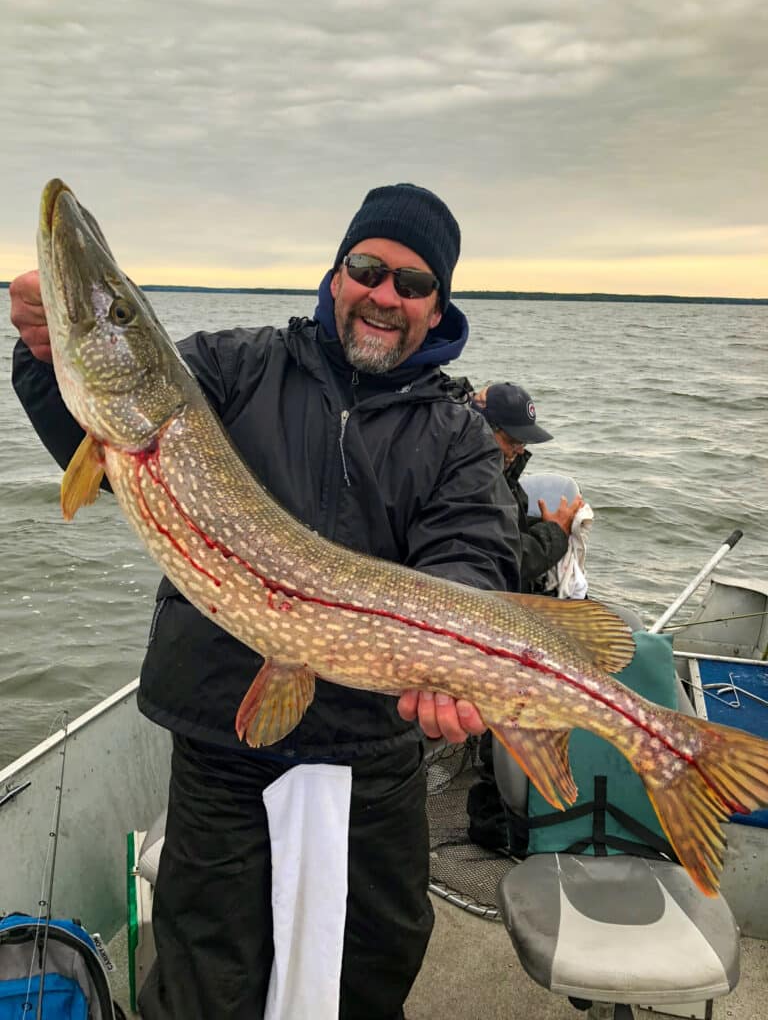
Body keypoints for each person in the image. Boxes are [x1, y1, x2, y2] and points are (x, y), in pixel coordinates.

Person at [10, 183, 521, 1020]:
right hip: (221, 747)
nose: (385, 295)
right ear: (335, 274)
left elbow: (471, 553)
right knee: (207, 982)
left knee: (369, 970)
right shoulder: (231, 366)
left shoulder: (458, 434)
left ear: (438, 308)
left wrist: (451, 656)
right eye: (369, 268)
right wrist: (43, 353)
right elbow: (93, 438)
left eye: (414, 284)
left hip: (373, 759)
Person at [471, 382, 583, 594]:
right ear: (482, 427)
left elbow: (506, 526)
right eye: (512, 441)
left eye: (523, 442)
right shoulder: (470, 480)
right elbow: (501, 556)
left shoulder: (501, 474)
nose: (520, 450)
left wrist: (546, 523)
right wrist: (555, 532)